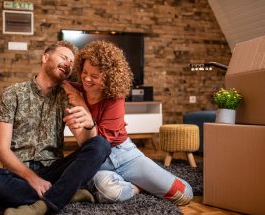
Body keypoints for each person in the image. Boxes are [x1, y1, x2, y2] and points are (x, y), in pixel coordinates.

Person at [0, 41, 111, 215]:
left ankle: (42, 206)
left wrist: (89, 123)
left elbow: (85, 143)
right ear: (45, 57)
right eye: (64, 57)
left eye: (71, 63)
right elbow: (2, 150)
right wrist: (32, 178)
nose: (68, 64)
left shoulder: (67, 97)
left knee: (100, 144)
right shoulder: (12, 94)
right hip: (19, 174)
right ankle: (67, 194)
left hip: (53, 171)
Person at [61, 40, 193, 206]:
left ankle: (133, 181)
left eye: (95, 76)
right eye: (84, 72)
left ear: (109, 76)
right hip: (96, 161)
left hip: (124, 154)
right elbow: (57, 82)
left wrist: (82, 105)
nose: (87, 79)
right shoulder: (76, 90)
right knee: (107, 192)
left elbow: (101, 142)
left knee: (184, 193)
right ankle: (137, 188)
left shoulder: (115, 97)